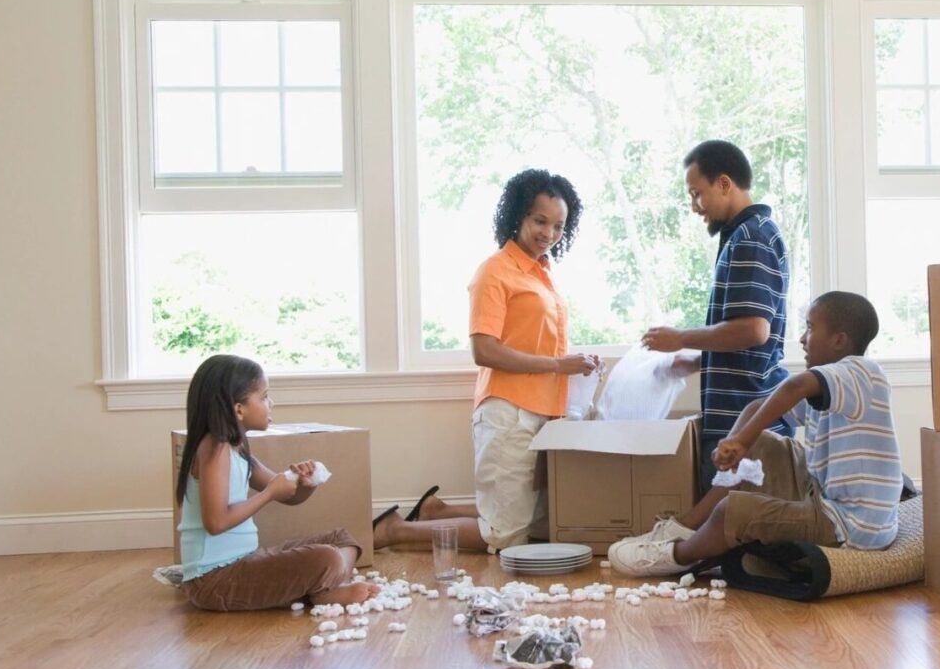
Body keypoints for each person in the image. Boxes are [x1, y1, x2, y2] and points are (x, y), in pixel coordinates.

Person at [374, 169, 599, 555]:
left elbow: (535, 341)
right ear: (518, 216)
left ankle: (436, 511)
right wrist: (559, 365)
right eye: (539, 221)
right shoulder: (495, 271)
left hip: (546, 413)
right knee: (506, 536)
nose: (548, 233)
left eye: (559, 226)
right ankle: (395, 531)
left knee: (540, 518)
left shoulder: (543, 276)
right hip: (509, 412)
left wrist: (574, 366)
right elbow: (485, 350)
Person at [608, 291, 901, 576]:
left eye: (810, 328)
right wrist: (735, 442)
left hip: (850, 526)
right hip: (823, 496)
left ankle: (677, 555)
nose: (802, 338)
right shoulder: (833, 385)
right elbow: (759, 406)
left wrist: (742, 440)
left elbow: (794, 387)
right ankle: (685, 526)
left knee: (731, 511)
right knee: (762, 443)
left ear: (839, 340)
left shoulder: (863, 372)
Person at [641, 139, 791, 493]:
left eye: (697, 194)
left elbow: (754, 330)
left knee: (729, 530)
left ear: (724, 183)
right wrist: (697, 360)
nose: (695, 207)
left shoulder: (750, 237)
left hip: (741, 418)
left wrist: (681, 337)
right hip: (738, 414)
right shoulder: (744, 235)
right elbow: (745, 336)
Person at [174, 354, 378, 611]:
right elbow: (216, 523)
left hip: (246, 560)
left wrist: (304, 484)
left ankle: (324, 584)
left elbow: (289, 496)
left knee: (342, 538)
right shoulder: (214, 449)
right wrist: (269, 493)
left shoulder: (238, 449)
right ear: (239, 408)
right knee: (326, 558)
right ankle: (324, 589)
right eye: (264, 396)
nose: (271, 403)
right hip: (214, 580)